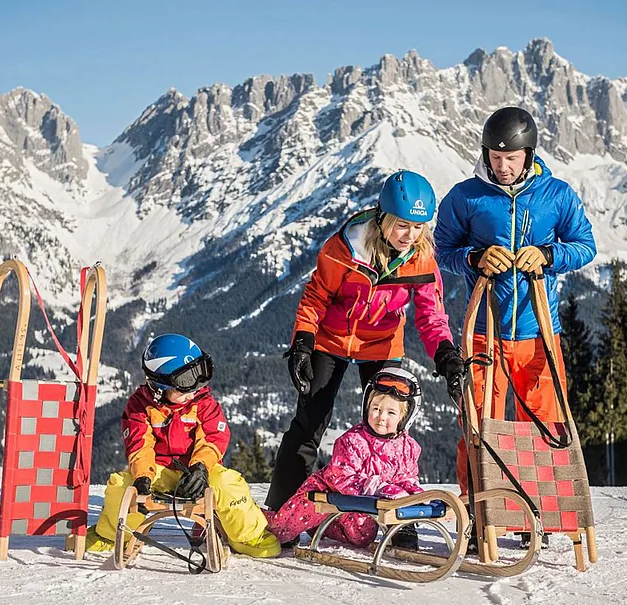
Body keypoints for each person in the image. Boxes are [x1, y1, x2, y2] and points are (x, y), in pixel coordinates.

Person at [266, 170, 465, 512]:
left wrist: (445, 353)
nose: (410, 235)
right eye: (403, 225)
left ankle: (396, 515)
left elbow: (431, 314)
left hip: (383, 343)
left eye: (419, 227)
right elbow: (316, 297)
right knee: (308, 426)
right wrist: (303, 341)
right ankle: (283, 512)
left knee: (390, 429)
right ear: (384, 216)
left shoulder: (421, 258)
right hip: (330, 339)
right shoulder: (344, 248)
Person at [434, 106, 597, 509]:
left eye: (511, 158)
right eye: (495, 157)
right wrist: (473, 258)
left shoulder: (556, 194)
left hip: (538, 331)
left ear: (529, 154)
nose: (502, 166)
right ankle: (478, 507)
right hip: (484, 329)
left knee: (540, 423)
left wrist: (547, 254)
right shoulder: (465, 196)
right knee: (478, 423)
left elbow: (585, 247)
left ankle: (533, 507)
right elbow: (442, 251)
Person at [86, 333, 281, 558]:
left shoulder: (203, 404)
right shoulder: (140, 407)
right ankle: (110, 535)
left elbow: (212, 439)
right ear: (160, 386)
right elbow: (140, 444)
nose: (195, 387)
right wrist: (142, 478)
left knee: (228, 484)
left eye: (201, 374)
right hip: (158, 471)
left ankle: (250, 537)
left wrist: (201, 468)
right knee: (121, 486)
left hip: (196, 471)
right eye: (187, 382)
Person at [265, 367, 425, 549]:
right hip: (324, 495)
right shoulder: (353, 441)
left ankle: (402, 528)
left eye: (391, 413)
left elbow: (406, 477)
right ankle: (250, 525)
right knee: (280, 530)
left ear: (405, 418)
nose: (381, 417)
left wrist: (415, 497)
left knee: (362, 538)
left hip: (364, 504)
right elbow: (343, 477)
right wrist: (380, 488)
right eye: (376, 409)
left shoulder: (408, 447)